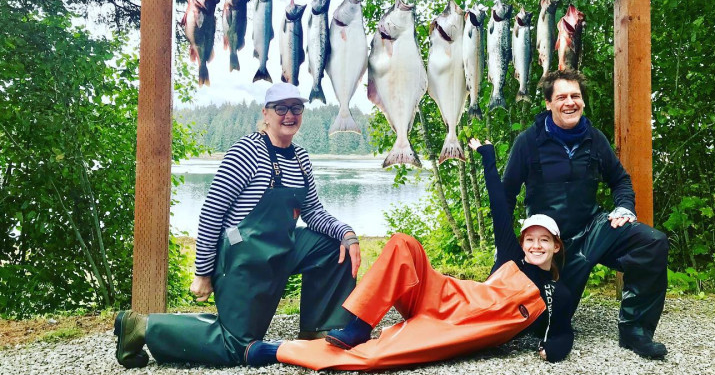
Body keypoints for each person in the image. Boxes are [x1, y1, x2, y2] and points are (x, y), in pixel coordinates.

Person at [242, 138, 573, 370]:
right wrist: (487, 156)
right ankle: (359, 325)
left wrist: (552, 351)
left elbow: (561, 332)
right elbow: (499, 206)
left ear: (556, 246)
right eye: (530, 238)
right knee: (403, 243)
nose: (536, 245)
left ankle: (279, 351)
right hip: (448, 295)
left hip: (464, 325)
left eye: (545, 240)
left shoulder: (556, 291)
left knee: (378, 358)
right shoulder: (512, 258)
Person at [114, 82, 362, 368]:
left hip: (282, 248)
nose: (289, 115)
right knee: (237, 347)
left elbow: (314, 212)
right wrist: (203, 273)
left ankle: (319, 331)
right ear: (266, 114)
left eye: (296, 108)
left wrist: (347, 233)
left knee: (335, 245)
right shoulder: (246, 151)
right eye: (281, 108)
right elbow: (211, 212)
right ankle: (142, 326)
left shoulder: (301, 158)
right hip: (241, 258)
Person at [502, 68, 669, 359]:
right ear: (548, 103)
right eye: (562, 97)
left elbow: (620, 180)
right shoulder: (528, 142)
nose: (570, 102)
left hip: (593, 230)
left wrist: (624, 207)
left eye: (576, 96)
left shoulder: (595, 139)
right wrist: (505, 251)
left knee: (651, 241)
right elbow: (505, 196)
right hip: (550, 243)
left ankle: (635, 331)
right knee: (537, 325)